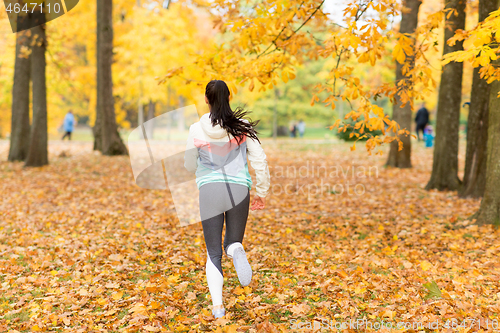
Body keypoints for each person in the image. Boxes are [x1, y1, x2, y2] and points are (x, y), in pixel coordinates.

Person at [184, 80, 270, 319]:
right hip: (239, 189)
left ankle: (218, 308)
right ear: (229, 97)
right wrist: (262, 191)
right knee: (231, 242)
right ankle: (236, 248)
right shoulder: (242, 126)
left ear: (206, 99)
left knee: (213, 252)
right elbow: (259, 160)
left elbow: (189, 164)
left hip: (210, 190)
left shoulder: (196, 129)